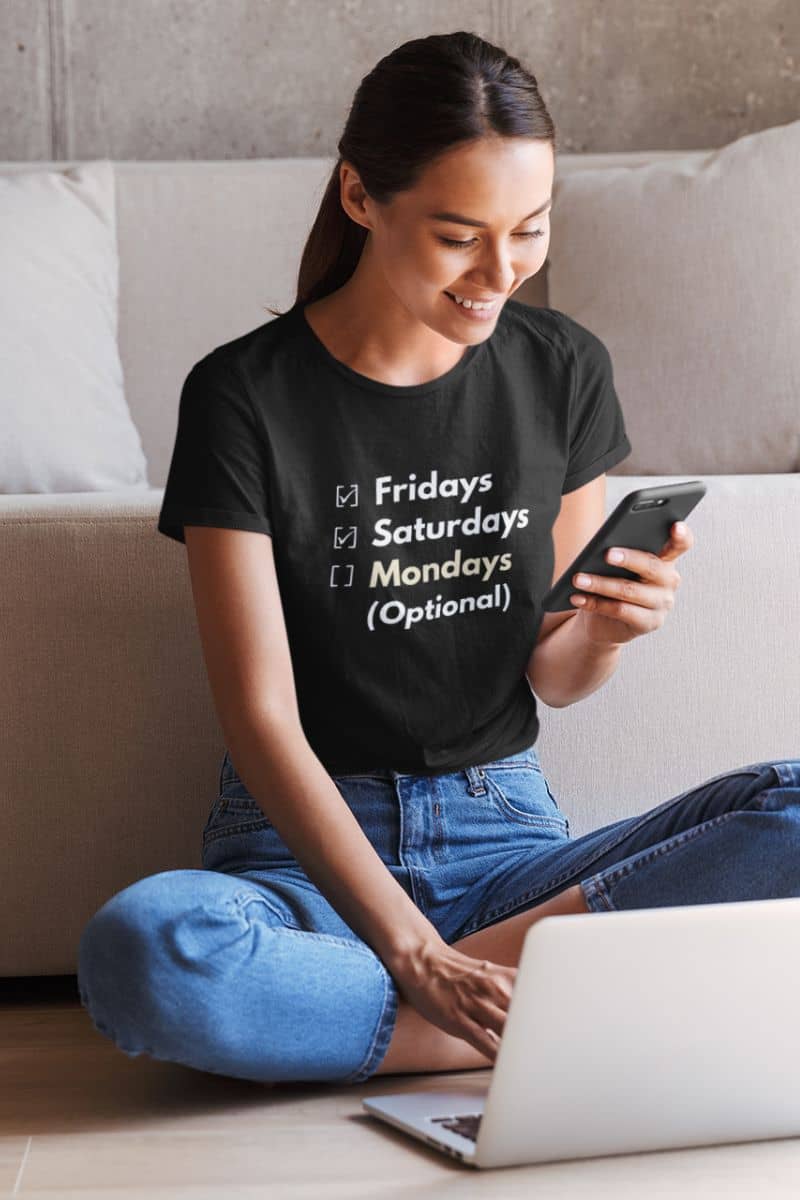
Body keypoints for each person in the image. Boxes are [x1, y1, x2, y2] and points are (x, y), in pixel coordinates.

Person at [77, 30, 800, 1087]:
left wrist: (601, 627)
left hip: (505, 845)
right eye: (459, 236)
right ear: (361, 197)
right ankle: (531, 1007)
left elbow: (552, 675)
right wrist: (411, 952)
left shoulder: (561, 369)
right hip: (305, 860)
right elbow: (259, 716)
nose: (500, 274)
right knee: (148, 955)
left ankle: (412, 1019)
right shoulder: (244, 395)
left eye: (530, 232)